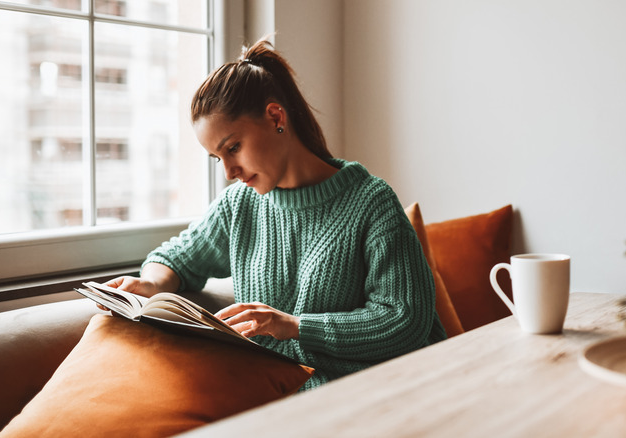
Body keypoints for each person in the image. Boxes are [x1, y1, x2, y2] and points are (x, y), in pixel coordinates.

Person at [106, 38, 446, 391]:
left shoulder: (370, 202)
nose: (229, 172)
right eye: (217, 158)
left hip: (393, 391)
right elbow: (175, 257)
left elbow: (405, 322)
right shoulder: (239, 205)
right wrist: (152, 283)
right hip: (290, 402)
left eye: (233, 148)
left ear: (275, 117)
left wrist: (295, 326)